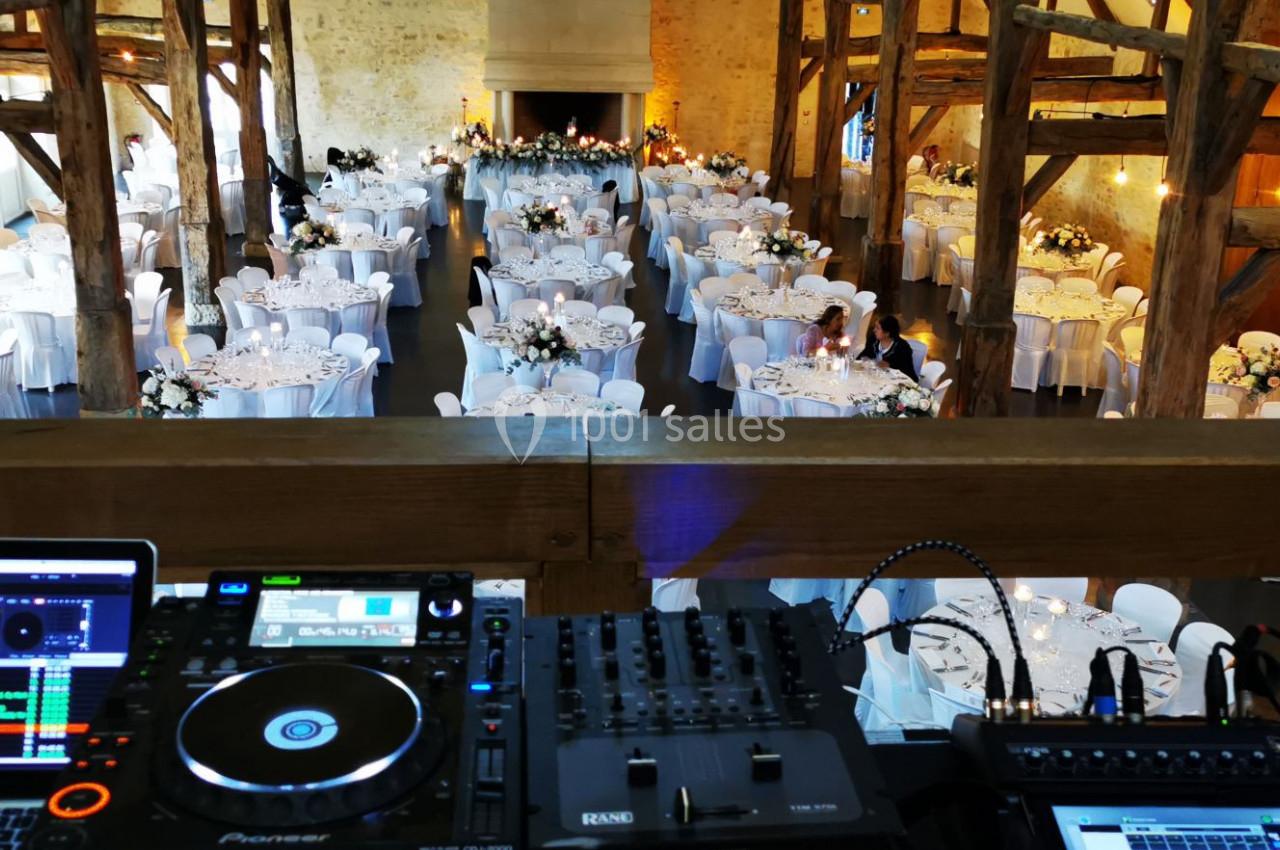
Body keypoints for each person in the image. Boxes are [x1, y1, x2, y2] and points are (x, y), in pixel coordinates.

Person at [859, 315, 918, 382]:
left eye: (878, 328)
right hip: (873, 379)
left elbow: (909, 374)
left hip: (893, 384)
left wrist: (890, 365)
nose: (874, 330)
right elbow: (863, 355)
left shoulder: (902, 348)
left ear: (887, 333)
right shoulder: (873, 340)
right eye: (875, 327)